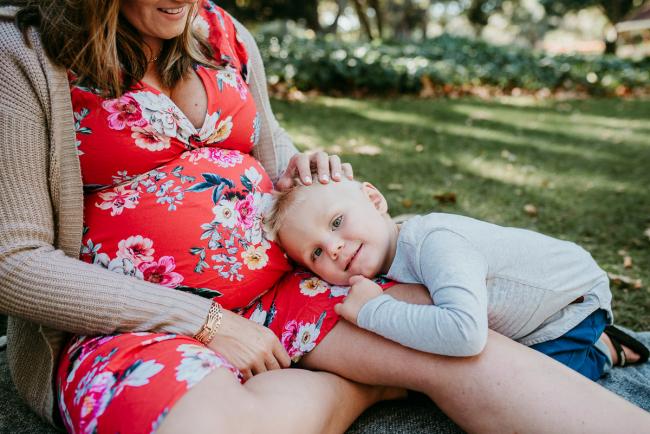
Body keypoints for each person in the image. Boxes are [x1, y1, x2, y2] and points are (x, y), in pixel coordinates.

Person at [1, 1, 649, 433]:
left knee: (459, 347)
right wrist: (202, 320)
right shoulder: (22, 57)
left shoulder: (222, 33)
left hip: (291, 284)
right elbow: (14, 264)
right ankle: (361, 389)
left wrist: (307, 172)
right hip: (128, 322)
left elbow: (266, 152)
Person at [264, 177, 650, 381]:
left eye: (335, 222)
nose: (332, 247)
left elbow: (465, 334)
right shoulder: (386, 256)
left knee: (537, 388)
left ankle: (605, 349)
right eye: (315, 253)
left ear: (374, 199)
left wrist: (373, 311)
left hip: (566, 304)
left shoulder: (434, 242)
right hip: (521, 308)